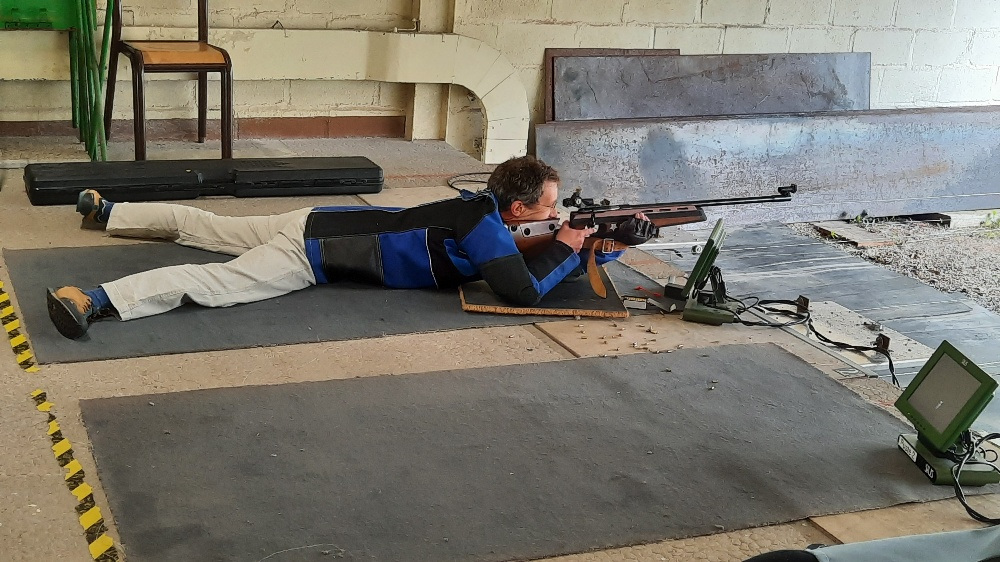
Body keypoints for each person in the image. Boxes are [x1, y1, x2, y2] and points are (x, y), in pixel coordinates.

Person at [47, 155, 655, 340]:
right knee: (215, 283)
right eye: (549, 207)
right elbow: (521, 290)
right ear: (519, 210)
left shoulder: (479, 210)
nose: (556, 215)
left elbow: (525, 256)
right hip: (309, 253)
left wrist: (595, 248)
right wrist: (571, 243)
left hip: (314, 219)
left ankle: (108, 211)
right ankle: (93, 298)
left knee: (206, 225)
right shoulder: (489, 230)